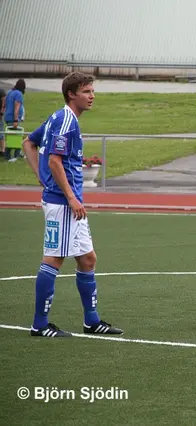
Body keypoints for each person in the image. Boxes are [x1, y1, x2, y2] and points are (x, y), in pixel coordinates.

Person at [20, 72, 123, 337]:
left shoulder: (60, 118)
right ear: (71, 94)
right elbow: (54, 160)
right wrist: (69, 196)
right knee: (54, 259)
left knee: (87, 259)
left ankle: (92, 322)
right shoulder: (66, 120)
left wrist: (42, 178)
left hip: (68, 201)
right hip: (63, 203)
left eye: (92, 91)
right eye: (87, 91)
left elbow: (28, 143)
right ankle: (39, 325)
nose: (92, 96)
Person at [4, 79, 26, 161]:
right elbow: (16, 107)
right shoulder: (18, 94)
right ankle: (15, 154)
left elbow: (5, 104)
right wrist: (16, 120)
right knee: (16, 137)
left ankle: (12, 154)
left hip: (7, 117)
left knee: (11, 136)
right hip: (13, 118)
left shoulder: (10, 92)